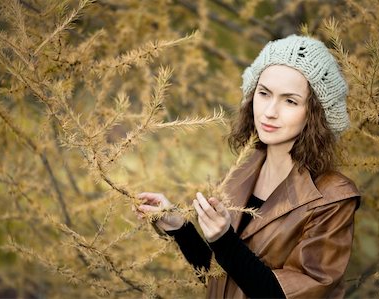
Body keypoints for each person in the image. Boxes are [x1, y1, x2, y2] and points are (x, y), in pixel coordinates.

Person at [136, 34, 360, 299]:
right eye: (264, 94)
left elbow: (289, 294)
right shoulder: (245, 169)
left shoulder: (333, 197)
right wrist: (180, 228)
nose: (270, 111)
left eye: (290, 101)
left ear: (316, 113)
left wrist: (223, 239)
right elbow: (220, 276)